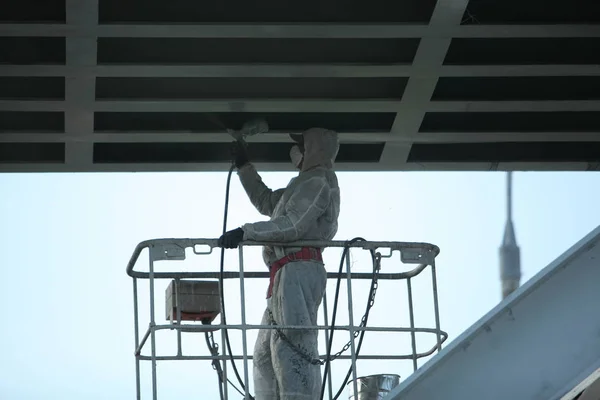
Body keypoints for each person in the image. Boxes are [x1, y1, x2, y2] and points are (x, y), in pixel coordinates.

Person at [218, 127, 341, 399]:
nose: (297, 151)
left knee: (294, 344)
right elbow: (266, 201)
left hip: (299, 269)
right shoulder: (301, 185)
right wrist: (244, 167)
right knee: (265, 354)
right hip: (285, 272)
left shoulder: (318, 182)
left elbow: (293, 225)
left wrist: (245, 232)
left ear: (315, 149)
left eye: (303, 146)